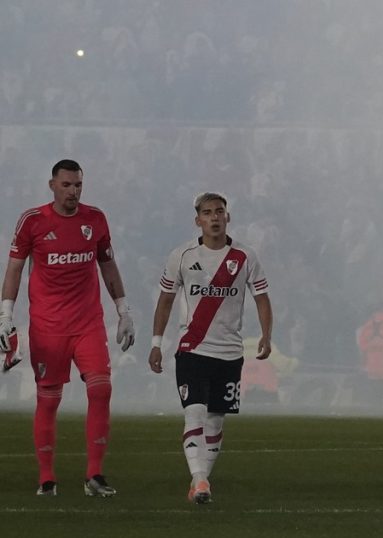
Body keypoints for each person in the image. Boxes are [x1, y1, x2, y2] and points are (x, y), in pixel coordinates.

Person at [0, 159, 136, 497]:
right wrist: (5, 315)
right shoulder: (33, 221)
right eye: (67, 185)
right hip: (48, 327)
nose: (73, 191)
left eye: (78, 185)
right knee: (48, 401)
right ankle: (47, 478)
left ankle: (95, 475)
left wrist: (123, 309)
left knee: (101, 390)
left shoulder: (95, 219)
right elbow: (15, 269)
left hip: (88, 323)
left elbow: (108, 265)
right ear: (52, 185)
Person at [147, 192, 272, 504]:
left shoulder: (245, 257)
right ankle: (201, 480)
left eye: (219, 211)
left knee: (216, 421)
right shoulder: (182, 256)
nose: (214, 217)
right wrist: (156, 343)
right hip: (192, 349)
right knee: (195, 413)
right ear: (198, 220)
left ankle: (199, 481)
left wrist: (266, 335)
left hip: (230, 353)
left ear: (227, 217)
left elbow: (262, 298)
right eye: (207, 212)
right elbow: (165, 300)